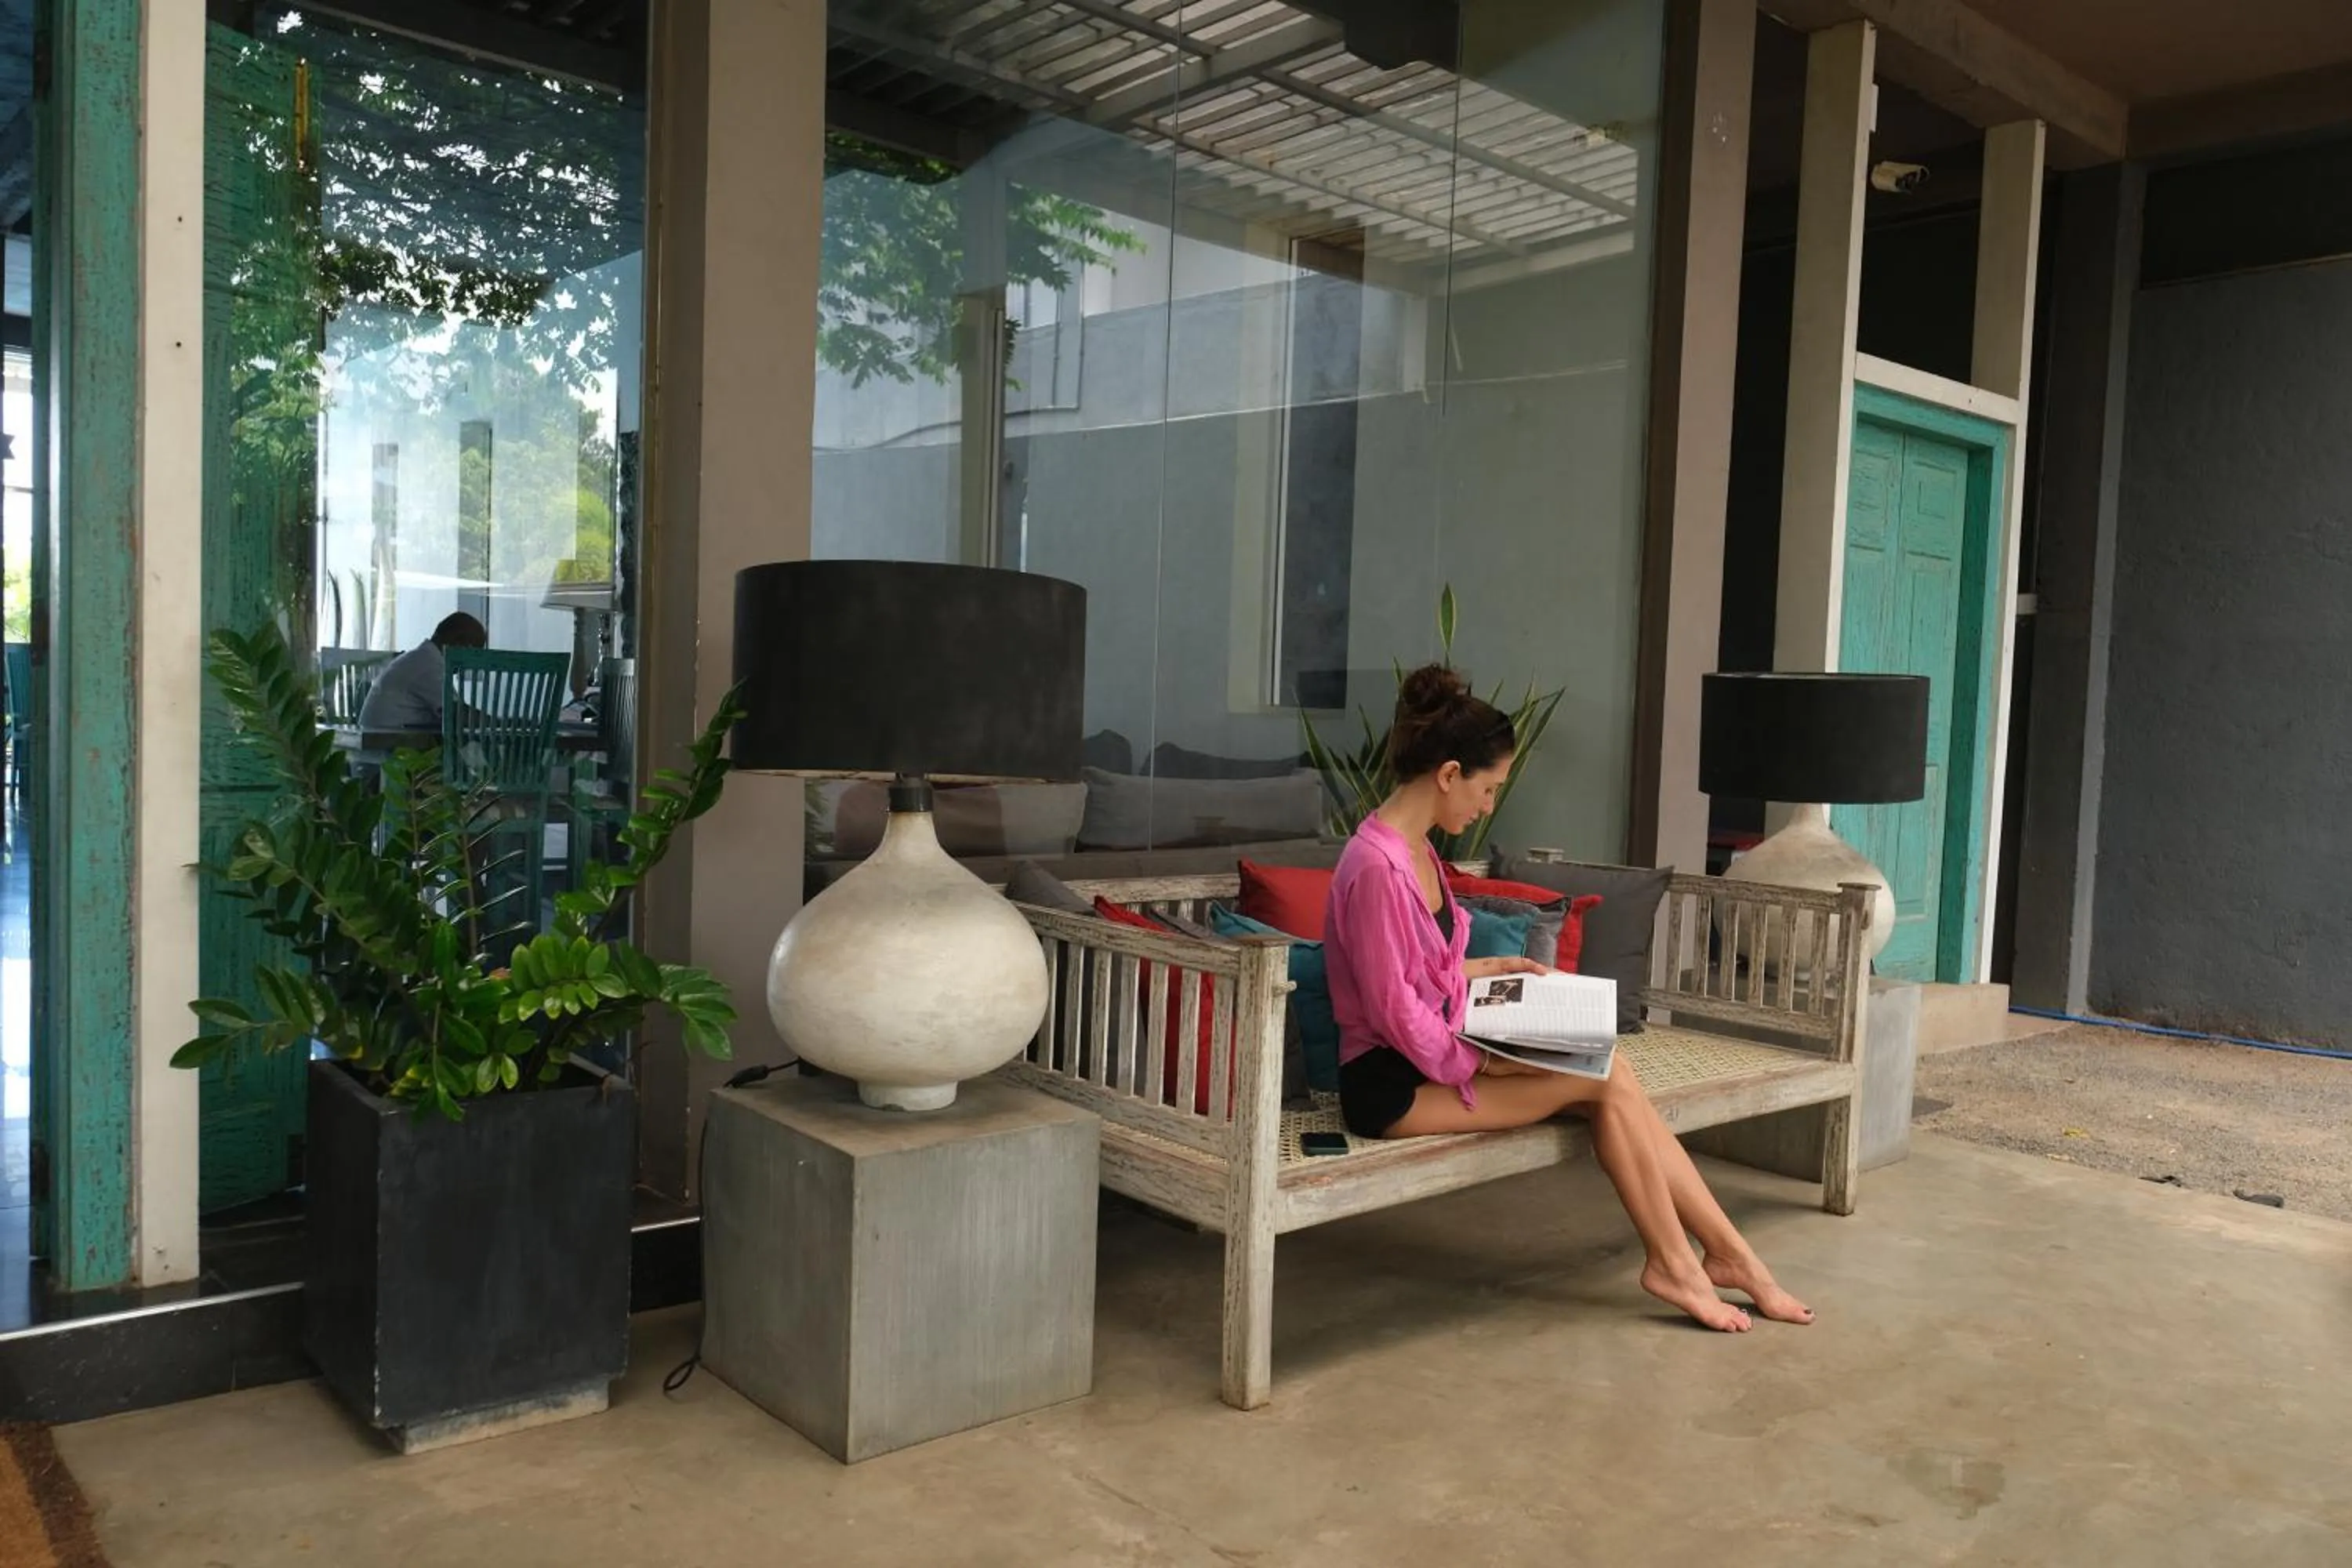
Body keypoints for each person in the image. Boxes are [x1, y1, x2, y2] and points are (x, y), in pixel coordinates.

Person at [1322, 664, 1813, 1334]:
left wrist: (1487, 969)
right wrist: (1491, 1062)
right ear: (1448, 774)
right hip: (1393, 1088)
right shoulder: (1377, 865)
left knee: (1611, 1071)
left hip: (1434, 1055)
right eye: (1488, 788)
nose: (1489, 806)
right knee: (1605, 1077)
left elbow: (1413, 972)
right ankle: (1690, 1262)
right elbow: (1391, 1012)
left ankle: (1724, 1258)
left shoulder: (1417, 852)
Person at [355, 612, 488, 733]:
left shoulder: (421, 658)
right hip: (388, 750)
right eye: (473, 653)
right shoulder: (428, 665)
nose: (468, 665)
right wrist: (503, 723)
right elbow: (458, 714)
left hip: (382, 745)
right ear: (461, 645)